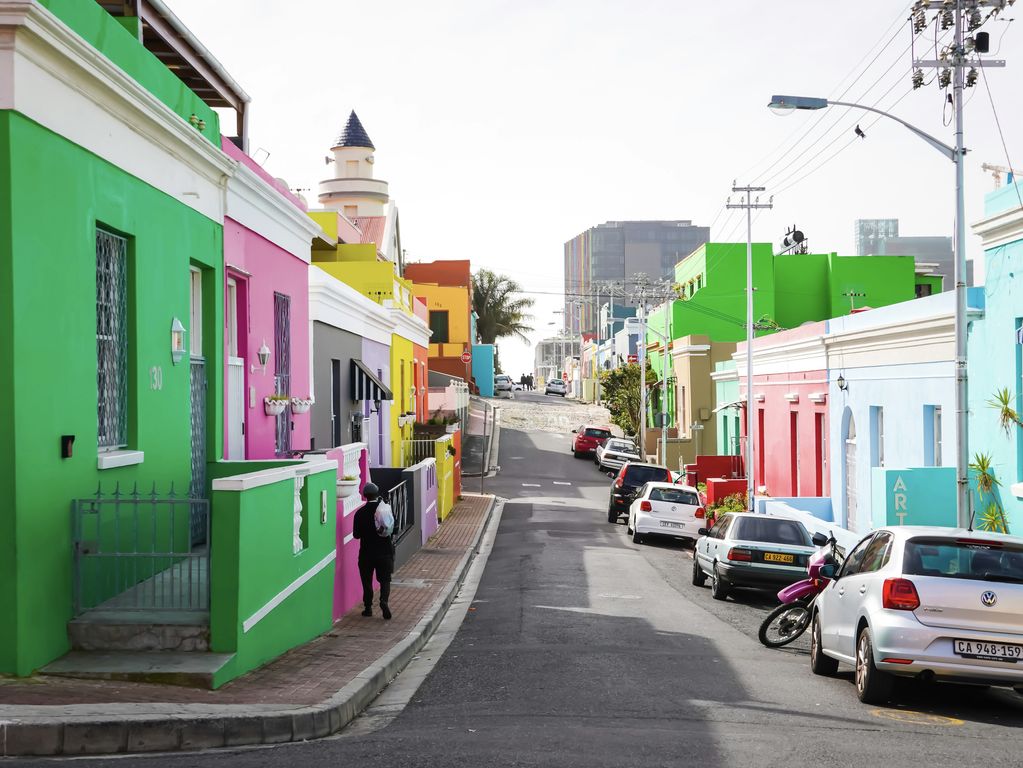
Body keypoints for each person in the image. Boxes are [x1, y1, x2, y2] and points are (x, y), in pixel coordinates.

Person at [352, 482, 394, 619]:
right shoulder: (384, 510)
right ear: (377, 494)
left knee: (367, 581)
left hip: (366, 553)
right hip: (384, 552)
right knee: (385, 580)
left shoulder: (360, 513)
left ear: (365, 496)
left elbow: (356, 535)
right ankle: (384, 601)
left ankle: (368, 608)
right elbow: (394, 528)